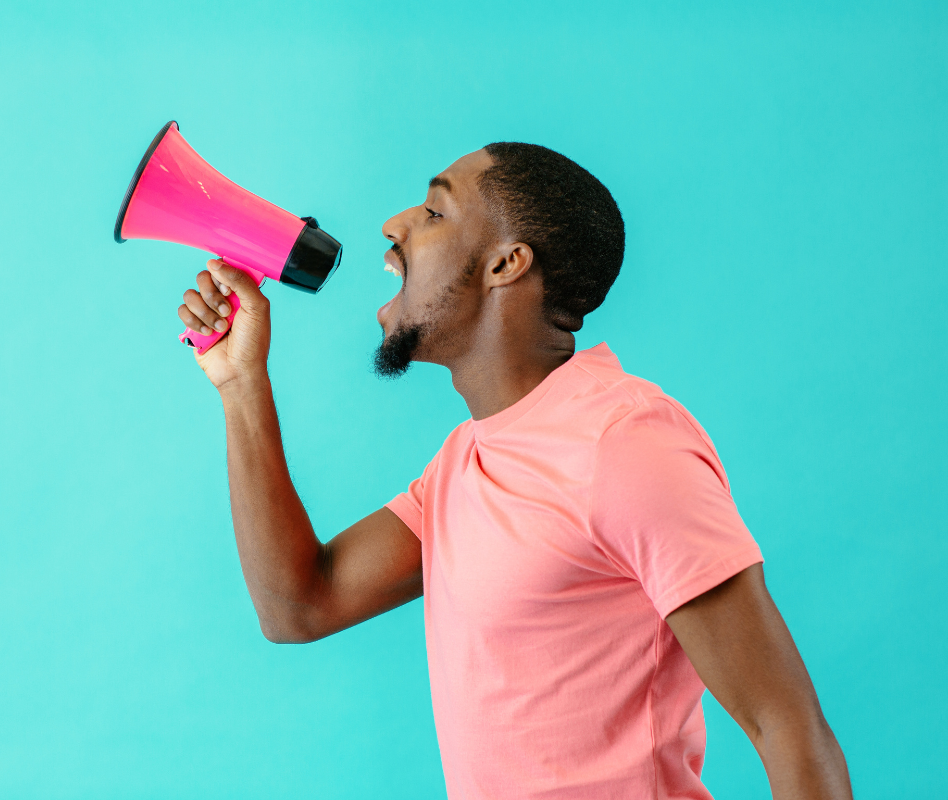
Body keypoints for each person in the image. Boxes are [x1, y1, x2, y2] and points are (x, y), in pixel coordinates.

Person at [176, 142, 852, 799]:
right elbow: (299, 605)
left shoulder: (627, 445)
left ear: (507, 262)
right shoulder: (466, 460)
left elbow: (786, 727)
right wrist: (241, 383)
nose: (394, 225)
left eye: (435, 212)